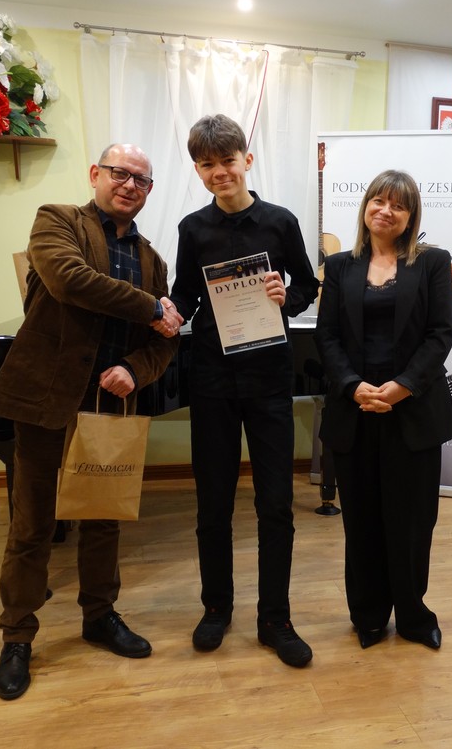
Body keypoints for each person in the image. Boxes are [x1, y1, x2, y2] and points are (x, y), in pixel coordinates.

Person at [0, 142, 183, 700]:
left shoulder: (153, 260)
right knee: (32, 525)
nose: (130, 185)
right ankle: (17, 636)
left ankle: (99, 616)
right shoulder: (58, 221)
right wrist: (152, 307)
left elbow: (163, 343)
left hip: (109, 406)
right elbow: (69, 280)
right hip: (45, 399)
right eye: (120, 173)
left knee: (103, 520)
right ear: (96, 174)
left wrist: (135, 370)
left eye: (142, 180)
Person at [165, 114, 319, 667]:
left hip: (270, 378)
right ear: (198, 169)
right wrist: (168, 311)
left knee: (275, 503)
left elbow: (307, 285)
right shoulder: (191, 228)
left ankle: (275, 618)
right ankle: (216, 608)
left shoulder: (280, 222)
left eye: (227, 161)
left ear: (246, 160)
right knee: (213, 502)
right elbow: (186, 294)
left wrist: (286, 295)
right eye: (207, 164)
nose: (219, 172)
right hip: (212, 378)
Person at [314, 169, 452, 651]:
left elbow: (439, 334)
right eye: (379, 200)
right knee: (362, 521)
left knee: (413, 522)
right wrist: (353, 387)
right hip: (354, 411)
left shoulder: (432, 262)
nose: (386, 210)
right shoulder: (339, 266)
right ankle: (369, 616)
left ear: (410, 216)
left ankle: (414, 616)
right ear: (366, 208)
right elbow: (327, 337)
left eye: (398, 204)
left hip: (412, 412)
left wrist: (402, 388)